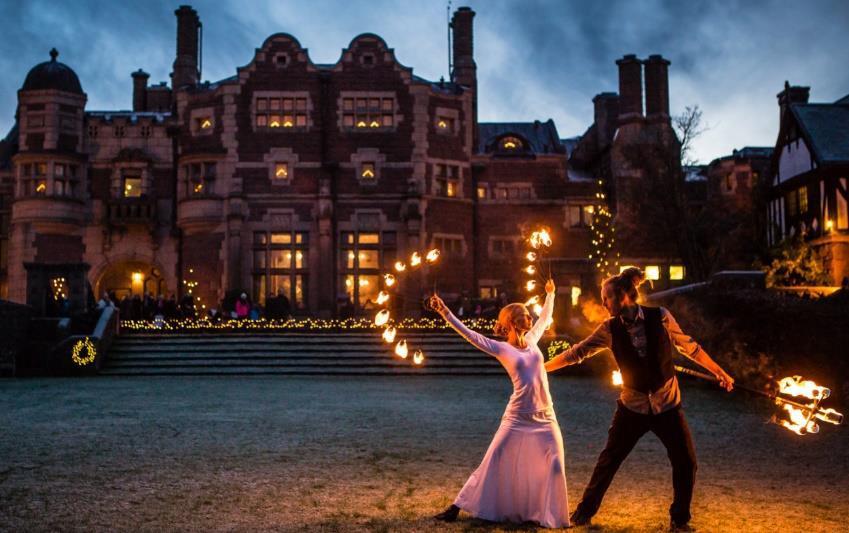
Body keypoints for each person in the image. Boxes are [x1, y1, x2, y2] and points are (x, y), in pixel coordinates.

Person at [545, 266, 734, 532]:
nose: (603, 303)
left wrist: (719, 372)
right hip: (632, 407)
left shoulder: (662, 317)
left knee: (686, 461)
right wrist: (541, 368)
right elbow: (577, 353)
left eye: (606, 297)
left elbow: (690, 347)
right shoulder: (608, 329)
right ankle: (582, 514)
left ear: (623, 295)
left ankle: (679, 521)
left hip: (667, 403)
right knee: (609, 461)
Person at [429, 279, 570, 528]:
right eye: (526, 315)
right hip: (516, 417)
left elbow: (545, 317)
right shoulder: (502, 349)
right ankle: (456, 507)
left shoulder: (534, 341)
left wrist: (551, 294)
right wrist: (445, 312)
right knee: (493, 459)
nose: (531, 318)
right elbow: (470, 335)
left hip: (546, 417)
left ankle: (551, 515)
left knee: (556, 463)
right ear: (514, 322)